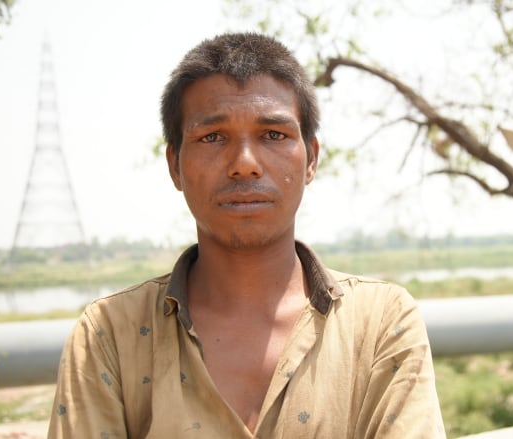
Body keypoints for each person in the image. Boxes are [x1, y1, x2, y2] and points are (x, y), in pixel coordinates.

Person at [48, 32, 445, 438]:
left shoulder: (380, 323)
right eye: (212, 137)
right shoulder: (111, 333)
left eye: (273, 135)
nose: (244, 164)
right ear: (174, 165)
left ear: (311, 158)